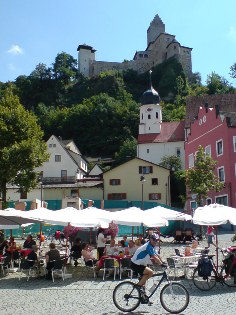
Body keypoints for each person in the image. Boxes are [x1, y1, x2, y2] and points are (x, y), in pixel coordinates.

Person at [131, 234, 166, 303]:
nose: (155, 242)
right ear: (150, 239)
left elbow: (157, 255)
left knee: (144, 281)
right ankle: (138, 286)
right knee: (150, 272)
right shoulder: (148, 246)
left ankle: (144, 298)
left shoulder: (151, 246)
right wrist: (161, 264)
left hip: (139, 264)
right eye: (154, 240)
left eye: (156, 240)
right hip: (135, 264)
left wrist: (163, 262)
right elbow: (154, 257)